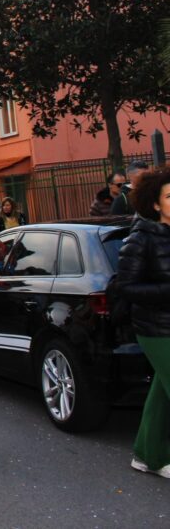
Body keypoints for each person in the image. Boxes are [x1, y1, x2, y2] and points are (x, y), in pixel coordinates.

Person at [114, 167, 170, 479]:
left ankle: (147, 455)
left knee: (161, 393)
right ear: (155, 204)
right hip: (158, 329)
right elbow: (125, 286)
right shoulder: (141, 238)